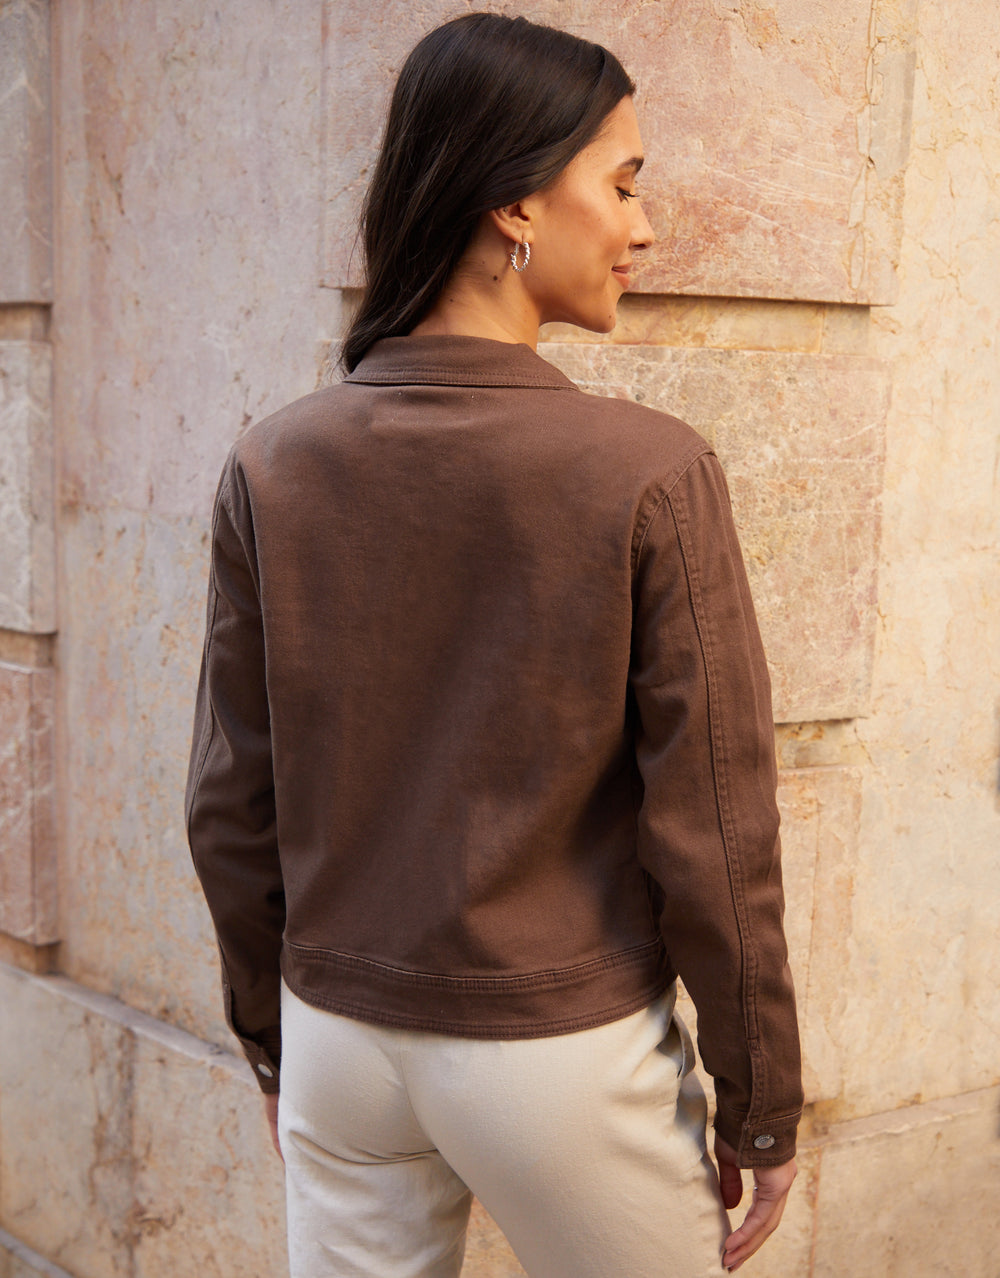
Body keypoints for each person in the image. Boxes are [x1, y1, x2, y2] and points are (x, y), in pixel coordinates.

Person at [186, 12, 802, 1277]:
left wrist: (273, 1040)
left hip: (339, 1036)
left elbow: (230, 806)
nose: (643, 227)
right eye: (622, 184)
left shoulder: (274, 462)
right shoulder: (647, 473)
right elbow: (715, 832)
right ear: (516, 203)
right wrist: (761, 1102)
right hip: (557, 1054)